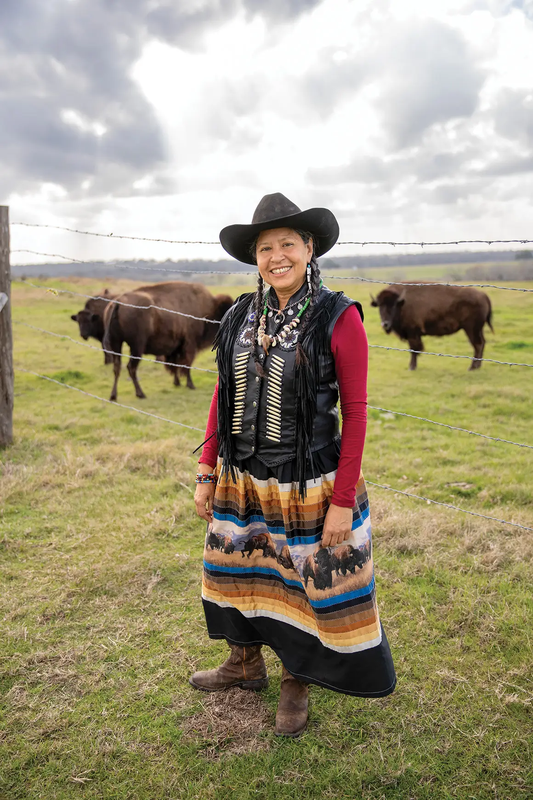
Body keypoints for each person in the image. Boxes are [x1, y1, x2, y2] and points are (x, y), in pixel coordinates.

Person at [191, 193, 396, 737]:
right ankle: (245, 664)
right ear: (254, 257)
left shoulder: (339, 317)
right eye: (265, 248)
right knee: (236, 573)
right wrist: (207, 470)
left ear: (309, 248)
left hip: (309, 481)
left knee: (302, 585)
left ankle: (295, 681)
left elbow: (355, 413)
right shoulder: (239, 313)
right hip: (241, 478)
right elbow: (222, 392)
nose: (276, 256)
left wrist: (343, 501)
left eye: (288, 244)